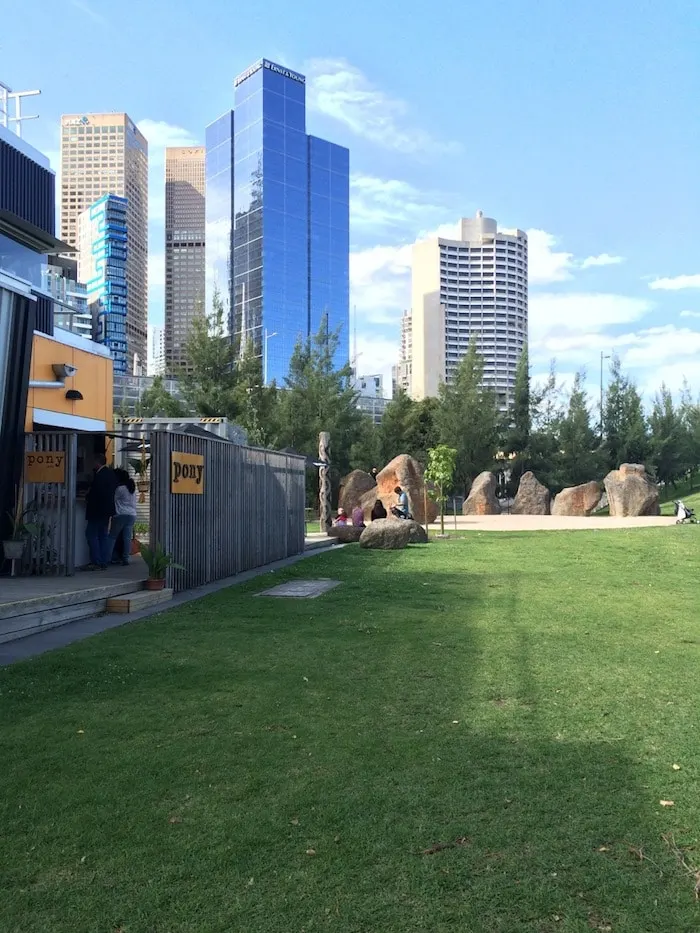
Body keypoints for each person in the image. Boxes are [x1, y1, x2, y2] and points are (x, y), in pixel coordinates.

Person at [85, 453, 117, 569]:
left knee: (91, 534)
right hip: (107, 510)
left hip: (96, 510)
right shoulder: (111, 474)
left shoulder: (99, 476)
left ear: (97, 463)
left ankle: (96, 561)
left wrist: (87, 495)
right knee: (103, 535)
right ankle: (104, 560)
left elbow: (96, 494)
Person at [107, 469, 137, 566]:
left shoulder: (120, 489)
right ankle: (126, 558)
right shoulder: (132, 488)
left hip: (120, 515)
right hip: (132, 515)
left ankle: (107, 558)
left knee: (112, 537)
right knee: (127, 538)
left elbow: (112, 499)